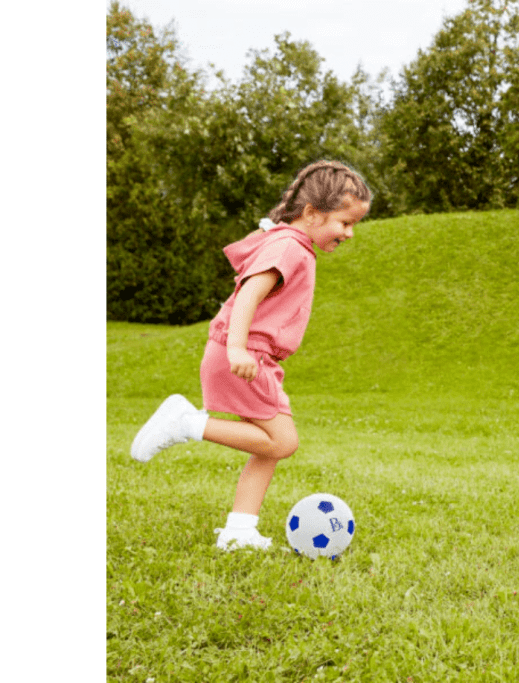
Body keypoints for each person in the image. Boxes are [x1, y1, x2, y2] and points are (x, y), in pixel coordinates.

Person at [130, 160, 371, 551]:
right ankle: (186, 423)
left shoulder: (288, 242)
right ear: (312, 213)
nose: (350, 233)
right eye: (344, 222)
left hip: (251, 356)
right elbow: (248, 294)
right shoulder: (290, 247)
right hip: (246, 356)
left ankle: (239, 530)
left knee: (267, 444)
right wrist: (238, 348)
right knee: (282, 442)